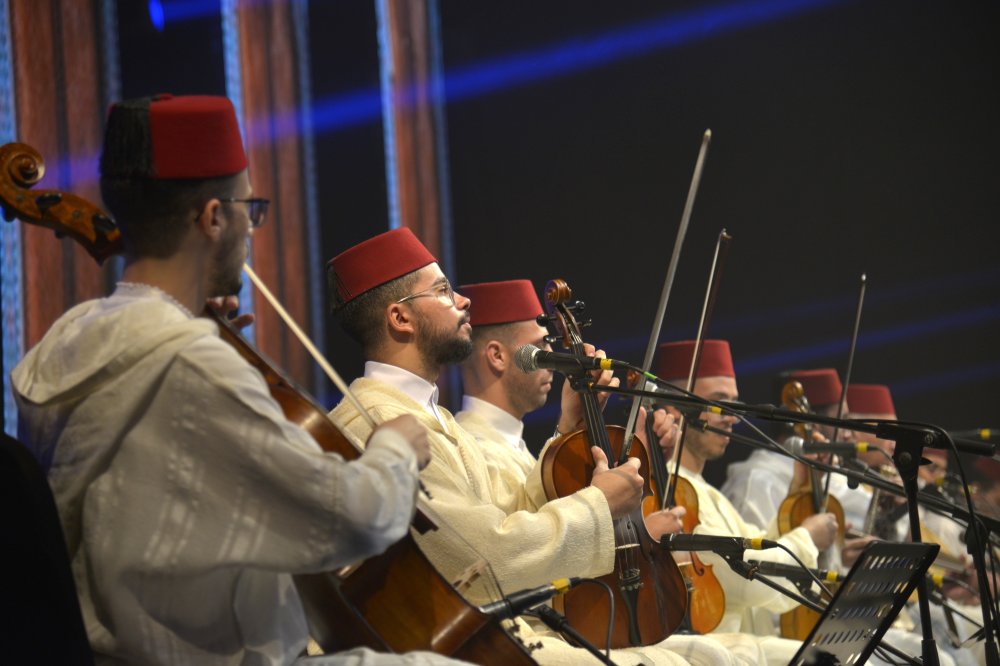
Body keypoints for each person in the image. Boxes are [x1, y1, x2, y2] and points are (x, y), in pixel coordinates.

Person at [11, 94, 460, 666]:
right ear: (213, 217)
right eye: (251, 206)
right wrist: (395, 448)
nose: (251, 225)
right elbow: (350, 517)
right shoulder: (190, 361)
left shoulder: (69, 340)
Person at [327, 236, 761, 665]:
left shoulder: (425, 413)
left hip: (492, 632)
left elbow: (509, 512)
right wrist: (599, 503)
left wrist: (567, 430)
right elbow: (485, 558)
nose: (463, 302)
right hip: (456, 645)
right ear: (401, 317)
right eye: (442, 291)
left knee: (707, 656)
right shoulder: (379, 424)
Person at [653, 341, 839, 665]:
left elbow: (761, 555)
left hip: (746, 647)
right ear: (674, 409)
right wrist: (808, 537)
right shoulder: (672, 489)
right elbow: (751, 581)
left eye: (734, 404)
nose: (733, 417)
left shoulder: (709, 492)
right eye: (720, 403)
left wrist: (799, 488)